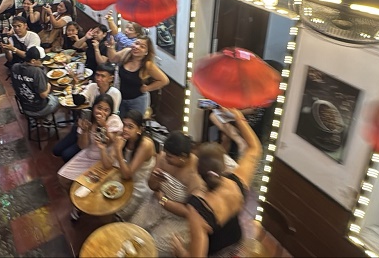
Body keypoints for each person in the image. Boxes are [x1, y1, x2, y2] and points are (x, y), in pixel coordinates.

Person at [171, 108, 261, 257]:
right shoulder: (238, 181)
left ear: (198, 170)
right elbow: (255, 148)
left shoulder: (197, 208)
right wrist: (238, 117)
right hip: (237, 243)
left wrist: (181, 252)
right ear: (224, 166)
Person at [130, 131, 204, 256]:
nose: (165, 157)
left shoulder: (195, 175)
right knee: (132, 229)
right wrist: (154, 179)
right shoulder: (163, 157)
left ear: (183, 156)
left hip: (180, 219)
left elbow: (189, 212)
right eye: (166, 154)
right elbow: (152, 186)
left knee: (153, 245)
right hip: (156, 202)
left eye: (170, 156)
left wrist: (163, 200)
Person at [53, 63, 122, 162]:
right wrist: (74, 85)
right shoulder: (92, 87)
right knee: (56, 150)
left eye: (103, 76)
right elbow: (78, 101)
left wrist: (91, 128)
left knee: (66, 155)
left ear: (111, 78)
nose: (98, 78)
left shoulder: (115, 93)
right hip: (84, 125)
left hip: (96, 130)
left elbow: (110, 116)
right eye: (97, 75)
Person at [57, 94, 123, 195]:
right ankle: (75, 201)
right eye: (99, 108)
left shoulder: (114, 120)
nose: (101, 112)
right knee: (62, 177)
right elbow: (82, 146)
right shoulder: (87, 118)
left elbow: (113, 142)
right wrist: (85, 131)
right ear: (94, 107)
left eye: (106, 110)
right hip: (88, 155)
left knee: (91, 188)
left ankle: (83, 202)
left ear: (110, 112)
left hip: (104, 158)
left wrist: (104, 126)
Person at [102, 109, 156, 219]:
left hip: (141, 185)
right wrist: (102, 148)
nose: (125, 129)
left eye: (130, 127)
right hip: (124, 178)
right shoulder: (122, 137)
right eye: (124, 125)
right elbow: (109, 164)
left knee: (116, 214)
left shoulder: (145, 144)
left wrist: (118, 151)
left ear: (139, 130)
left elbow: (128, 174)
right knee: (103, 195)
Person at [106, 35, 169, 117]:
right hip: (121, 98)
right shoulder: (126, 52)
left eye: (142, 46)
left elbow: (164, 80)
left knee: (133, 125)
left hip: (137, 101)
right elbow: (113, 59)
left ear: (146, 52)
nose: (137, 47)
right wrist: (111, 47)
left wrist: (147, 88)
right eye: (136, 43)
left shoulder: (148, 65)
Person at [10, 47, 59, 117]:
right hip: (39, 109)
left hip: (24, 106)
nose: (42, 63)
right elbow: (43, 95)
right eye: (41, 61)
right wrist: (48, 86)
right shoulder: (37, 72)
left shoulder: (15, 67)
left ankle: (42, 120)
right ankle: (47, 119)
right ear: (33, 61)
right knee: (59, 98)